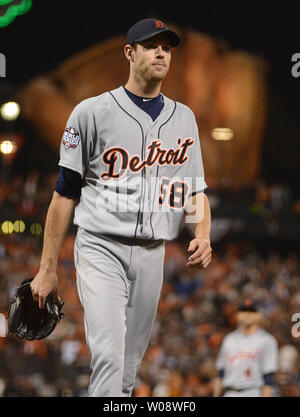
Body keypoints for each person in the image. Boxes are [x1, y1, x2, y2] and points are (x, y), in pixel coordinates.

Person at [30, 18, 212, 397]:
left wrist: (204, 234)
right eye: (151, 45)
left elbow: (195, 191)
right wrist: (46, 270)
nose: (162, 52)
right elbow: (64, 194)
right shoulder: (91, 112)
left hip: (152, 254)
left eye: (167, 46)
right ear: (130, 53)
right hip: (101, 247)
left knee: (127, 372)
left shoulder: (185, 118)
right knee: (110, 357)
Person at [213, 298, 279, 397]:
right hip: (229, 392)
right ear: (237, 315)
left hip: (252, 392)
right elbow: (220, 374)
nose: (247, 314)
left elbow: (268, 379)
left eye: (252, 311)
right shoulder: (229, 339)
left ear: (259, 315)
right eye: (244, 311)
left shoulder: (267, 340)